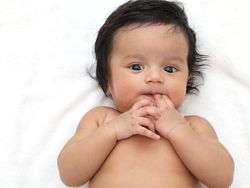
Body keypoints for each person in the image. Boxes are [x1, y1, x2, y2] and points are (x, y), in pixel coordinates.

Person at [57, 0, 234, 187]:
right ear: (108, 82)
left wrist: (178, 130)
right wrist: (112, 131)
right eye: (136, 66)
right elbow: (70, 175)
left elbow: (222, 179)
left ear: (187, 80)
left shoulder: (193, 126)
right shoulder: (102, 119)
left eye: (170, 69)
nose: (155, 77)